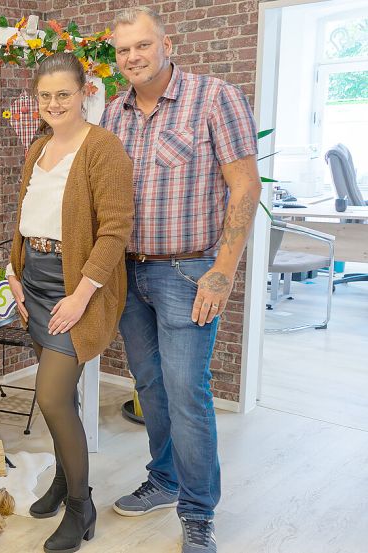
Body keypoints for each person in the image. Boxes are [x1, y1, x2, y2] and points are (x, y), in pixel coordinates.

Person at [101, 8, 261, 553]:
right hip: (129, 272)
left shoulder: (214, 98)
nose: (133, 57)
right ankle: (165, 479)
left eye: (142, 45)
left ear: (166, 44)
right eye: (123, 50)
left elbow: (246, 187)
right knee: (149, 386)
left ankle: (197, 511)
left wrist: (223, 271)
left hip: (188, 273)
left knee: (187, 392)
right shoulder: (114, 113)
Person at [4, 53, 134, 553]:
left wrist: (81, 295)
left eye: (64, 94)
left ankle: (82, 507)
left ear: (84, 93)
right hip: (34, 280)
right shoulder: (39, 147)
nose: (54, 103)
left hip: (76, 284)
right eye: (45, 95)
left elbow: (115, 229)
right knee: (65, 401)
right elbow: (25, 214)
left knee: (53, 397)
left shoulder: (102, 148)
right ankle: (63, 480)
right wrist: (14, 272)